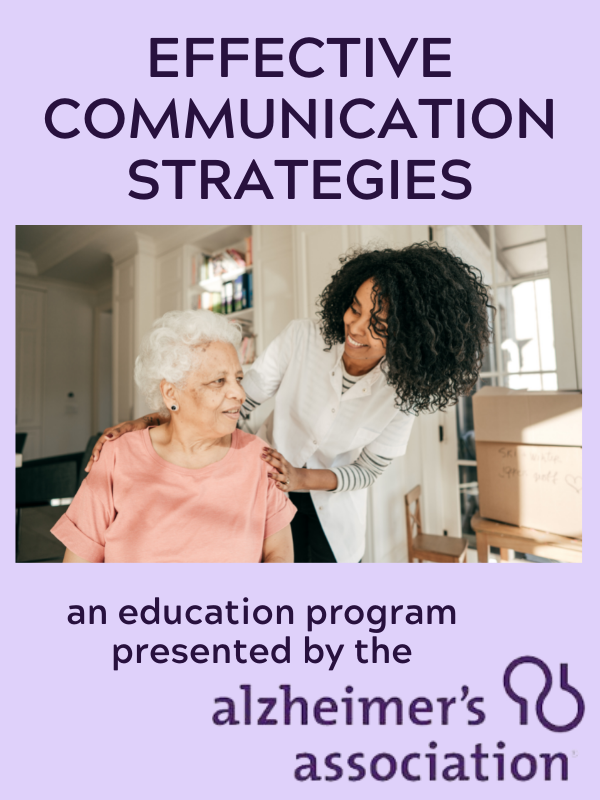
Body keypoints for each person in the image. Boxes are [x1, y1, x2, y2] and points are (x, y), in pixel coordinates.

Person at [88, 244, 491, 563]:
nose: (355, 326)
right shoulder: (303, 338)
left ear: (411, 338)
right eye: (355, 307)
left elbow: (368, 470)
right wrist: (156, 421)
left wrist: (301, 479)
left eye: (378, 326)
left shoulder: (405, 394)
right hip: (265, 488)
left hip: (333, 515)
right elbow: (237, 403)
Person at [53, 310, 295, 563]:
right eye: (218, 381)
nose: (240, 394)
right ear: (171, 393)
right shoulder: (117, 455)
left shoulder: (259, 456)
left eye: (238, 379)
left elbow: (279, 554)